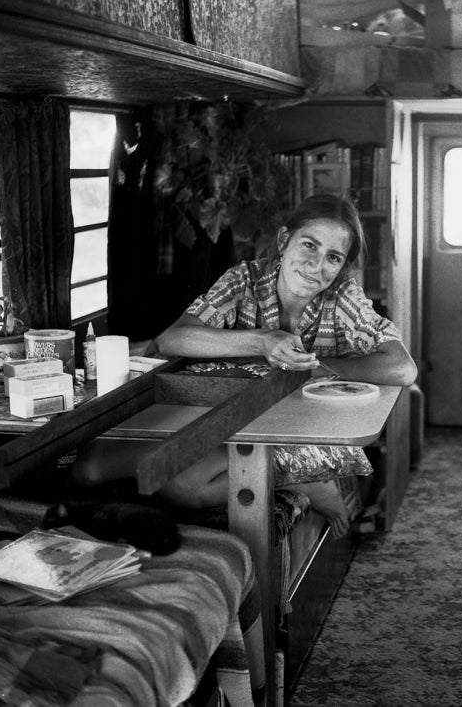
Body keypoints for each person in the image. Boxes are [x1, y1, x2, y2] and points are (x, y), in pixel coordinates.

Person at [71, 195, 417, 538]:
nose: (317, 266)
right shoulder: (245, 279)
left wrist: (310, 366)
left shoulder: (343, 296)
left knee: (179, 484)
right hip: (230, 418)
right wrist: (263, 341)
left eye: (333, 257)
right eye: (309, 245)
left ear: (342, 267)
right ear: (284, 241)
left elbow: (402, 368)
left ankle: (305, 479)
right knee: (88, 468)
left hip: (304, 431)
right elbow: (173, 340)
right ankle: (289, 477)